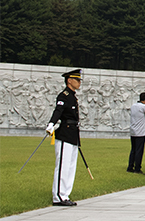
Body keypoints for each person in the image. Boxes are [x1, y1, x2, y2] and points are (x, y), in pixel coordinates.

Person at [46, 69, 82, 206]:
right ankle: (58, 196)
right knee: (63, 166)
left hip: (73, 134)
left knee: (71, 166)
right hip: (65, 134)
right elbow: (58, 111)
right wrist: (51, 124)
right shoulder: (64, 95)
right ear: (69, 80)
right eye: (77, 80)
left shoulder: (73, 96)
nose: (79, 82)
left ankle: (65, 194)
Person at [128, 90, 145, 174]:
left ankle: (130, 167)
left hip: (133, 131)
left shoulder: (133, 106)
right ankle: (137, 168)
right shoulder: (143, 107)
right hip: (140, 132)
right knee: (139, 151)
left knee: (133, 150)